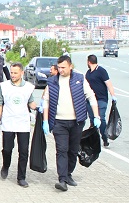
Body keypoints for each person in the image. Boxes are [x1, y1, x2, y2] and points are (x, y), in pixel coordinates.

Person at [40, 54, 100, 191]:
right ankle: (62, 179)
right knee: (61, 150)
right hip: (59, 122)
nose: (61, 70)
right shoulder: (52, 81)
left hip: (76, 122)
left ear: (70, 66)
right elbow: (46, 102)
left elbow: (91, 97)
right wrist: (45, 121)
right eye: (59, 67)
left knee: (73, 150)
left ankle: (68, 174)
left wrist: (96, 116)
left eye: (63, 67)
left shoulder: (80, 79)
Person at [0, 61, 41, 187]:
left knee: (23, 151)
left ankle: (21, 177)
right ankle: (5, 166)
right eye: (11, 72)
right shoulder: (4, 86)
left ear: (22, 73)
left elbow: (31, 102)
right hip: (8, 122)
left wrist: (39, 108)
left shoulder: (28, 87)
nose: (13, 75)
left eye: (15, 73)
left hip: (23, 122)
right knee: (7, 149)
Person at [85, 54, 116, 147]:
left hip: (101, 99)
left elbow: (108, 84)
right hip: (90, 101)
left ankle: (104, 137)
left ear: (89, 62)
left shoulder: (101, 71)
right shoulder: (88, 73)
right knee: (92, 120)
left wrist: (113, 95)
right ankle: (93, 140)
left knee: (101, 118)